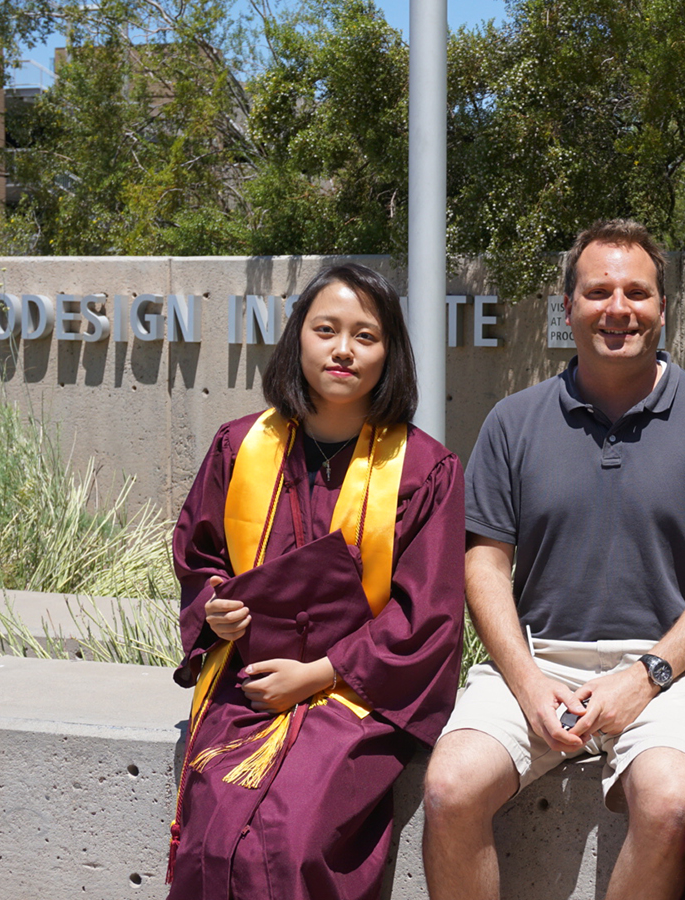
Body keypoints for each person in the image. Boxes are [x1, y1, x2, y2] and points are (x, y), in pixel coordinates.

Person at [421, 219, 685, 900]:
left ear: (663, 307)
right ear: (568, 305)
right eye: (598, 290)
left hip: (672, 670)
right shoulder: (513, 421)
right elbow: (483, 565)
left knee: (671, 803)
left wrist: (647, 674)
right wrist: (525, 682)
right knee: (449, 787)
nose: (618, 308)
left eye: (637, 291)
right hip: (539, 659)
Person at [165, 263, 465, 900]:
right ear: (298, 338)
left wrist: (323, 672)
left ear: (392, 354)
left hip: (357, 698)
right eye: (326, 329)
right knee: (215, 829)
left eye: (366, 336)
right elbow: (200, 555)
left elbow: (427, 615)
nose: (343, 349)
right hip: (250, 684)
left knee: (289, 837)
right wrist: (215, 606)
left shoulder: (423, 469)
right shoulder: (240, 445)